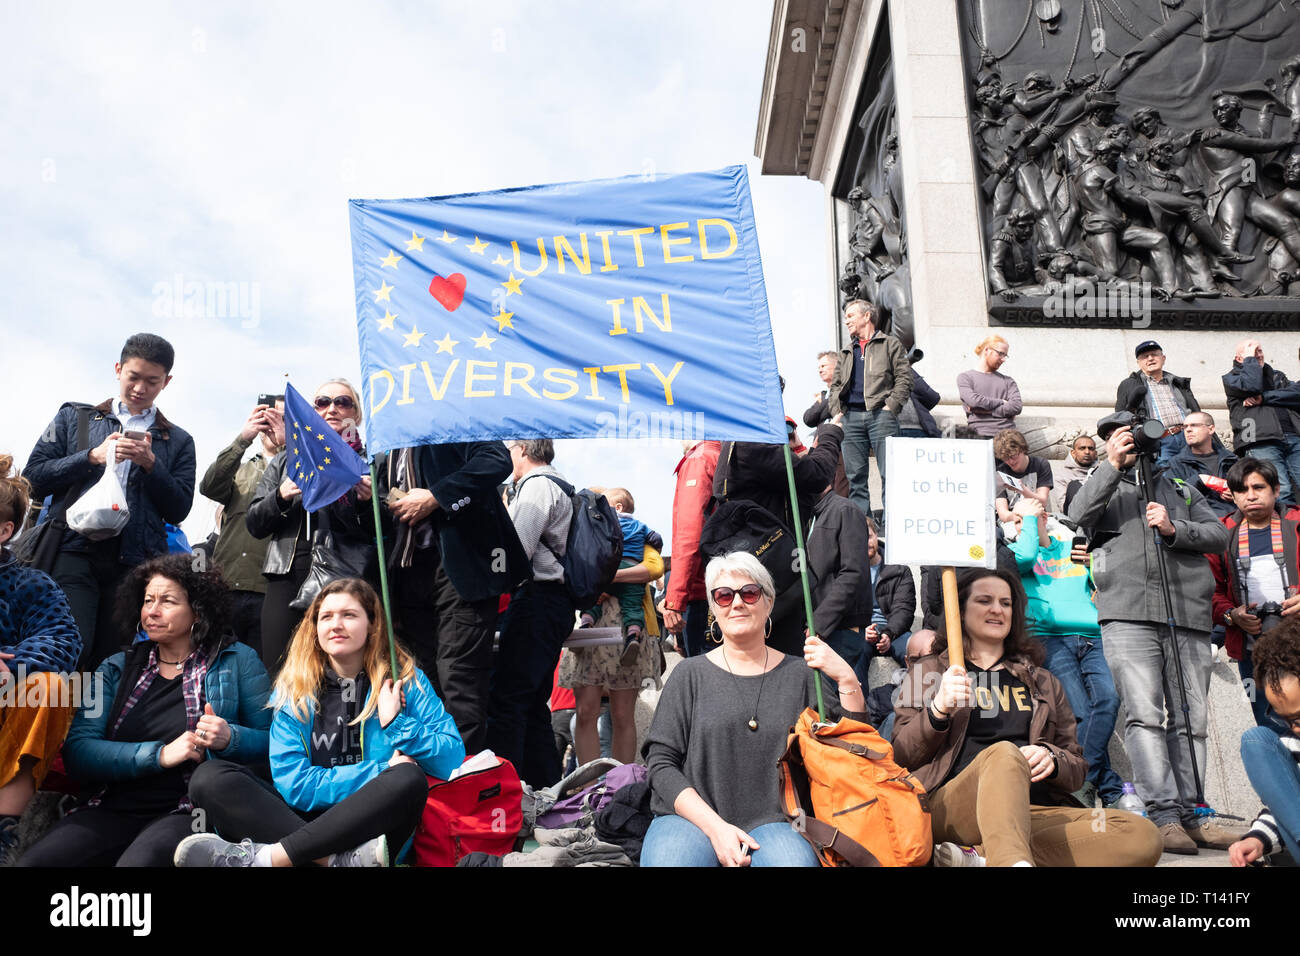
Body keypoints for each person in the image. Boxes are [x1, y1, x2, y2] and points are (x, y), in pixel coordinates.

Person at [173, 577, 465, 867]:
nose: (336, 624)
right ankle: (333, 862)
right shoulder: (294, 690)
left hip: (375, 832)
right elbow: (294, 786)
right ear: (315, 629)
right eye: (326, 617)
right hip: (302, 823)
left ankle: (269, 859)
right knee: (209, 778)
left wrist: (398, 725)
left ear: (372, 625)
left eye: (349, 615)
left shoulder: (405, 681)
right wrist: (380, 771)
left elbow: (451, 758)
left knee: (408, 780)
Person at [892, 567, 1162, 867]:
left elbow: (1077, 767)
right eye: (984, 600)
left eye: (1006, 603)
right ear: (961, 611)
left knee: (1141, 835)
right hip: (954, 805)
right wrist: (937, 710)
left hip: (1032, 809)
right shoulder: (928, 672)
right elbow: (901, 755)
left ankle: (979, 857)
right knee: (1006, 754)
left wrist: (1052, 757)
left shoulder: (1043, 680)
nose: (997, 609)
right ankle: (1009, 861)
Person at [18, 554, 270, 866]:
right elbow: (79, 751)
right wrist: (160, 755)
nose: (152, 610)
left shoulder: (236, 660)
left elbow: (271, 743)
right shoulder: (117, 666)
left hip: (191, 811)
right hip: (111, 805)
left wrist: (232, 737)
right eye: (148, 599)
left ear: (199, 610)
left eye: (168, 601)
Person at [1067, 413, 1236, 855]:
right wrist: (1112, 466)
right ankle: (1162, 815)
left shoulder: (1180, 487)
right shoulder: (1098, 483)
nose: (1134, 442)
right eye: (1120, 436)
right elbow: (1076, 515)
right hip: (1128, 614)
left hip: (1188, 616)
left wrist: (1174, 528)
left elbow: (1220, 534)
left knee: (1191, 719)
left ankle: (1194, 812)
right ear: (1108, 442)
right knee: (1144, 716)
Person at [641, 552, 865, 867]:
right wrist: (716, 828)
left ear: (768, 602)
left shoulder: (800, 674)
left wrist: (846, 677)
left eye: (749, 592)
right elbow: (661, 764)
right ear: (713, 608)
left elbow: (853, 745)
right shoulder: (689, 674)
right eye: (723, 595)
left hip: (781, 822)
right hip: (690, 818)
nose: (737, 603)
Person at [25, 333, 196, 670]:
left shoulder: (176, 440)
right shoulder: (79, 418)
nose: (140, 388)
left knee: (112, 659)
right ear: (118, 369)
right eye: (133, 377)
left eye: (152, 381)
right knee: (72, 644)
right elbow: (33, 479)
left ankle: (91, 723)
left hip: (135, 560)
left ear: (167, 381)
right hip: (73, 548)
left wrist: (151, 465)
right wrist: (91, 456)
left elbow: (179, 508)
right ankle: (53, 721)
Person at [374, 441, 528, 755]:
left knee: (459, 683)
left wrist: (436, 497)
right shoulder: (385, 441)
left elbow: (497, 459)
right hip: (405, 577)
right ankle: (431, 784)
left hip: (460, 571)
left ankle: (461, 786)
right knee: (423, 687)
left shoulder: (450, 419)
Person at [246, 378, 376, 675]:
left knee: (341, 673)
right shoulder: (284, 461)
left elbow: (384, 533)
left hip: (344, 579)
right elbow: (254, 524)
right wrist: (280, 496)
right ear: (311, 412)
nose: (332, 408)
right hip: (286, 576)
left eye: (343, 402)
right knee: (280, 673)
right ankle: (286, 724)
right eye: (322, 402)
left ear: (356, 415)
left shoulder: (368, 461)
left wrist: (366, 504)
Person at [1006, 497, 1124, 808]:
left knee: (1108, 699)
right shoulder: (1018, 553)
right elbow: (1025, 557)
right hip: (1048, 638)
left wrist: (1094, 562)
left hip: (1093, 636)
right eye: (1017, 521)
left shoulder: (1072, 547)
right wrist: (1028, 524)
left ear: (1043, 516)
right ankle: (1107, 789)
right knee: (1082, 710)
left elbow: (1106, 582)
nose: (1018, 526)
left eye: (1023, 519)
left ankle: (1084, 782)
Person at [0, 454, 82, 865]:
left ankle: (4, 829)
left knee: (51, 687)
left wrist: (12, 666)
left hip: (6, 709)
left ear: (5, 530)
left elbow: (63, 641)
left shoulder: (31, 584)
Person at [487, 439, 575, 788]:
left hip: (536, 600)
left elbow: (516, 551)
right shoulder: (559, 483)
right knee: (534, 705)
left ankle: (505, 791)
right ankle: (544, 787)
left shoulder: (537, 487)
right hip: (554, 602)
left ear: (522, 449)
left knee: (507, 701)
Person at [1209, 458, 1300, 730]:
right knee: (1264, 723)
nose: (1250, 496)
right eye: (1241, 490)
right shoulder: (1220, 534)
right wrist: (1230, 615)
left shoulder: (1296, 523)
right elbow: (1208, 591)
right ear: (1233, 496)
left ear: (1276, 488)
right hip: (1250, 652)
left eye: (1258, 487)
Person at [198, 396, 286, 659]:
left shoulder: (299, 466)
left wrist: (287, 446)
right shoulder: (242, 469)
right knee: (215, 666)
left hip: (271, 591)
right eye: (268, 415)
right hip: (227, 588)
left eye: (281, 418)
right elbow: (209, 486)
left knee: (264, 672)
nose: (272, 423)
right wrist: (243, 438)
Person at [561, 544, 665, 765]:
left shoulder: (638, 540)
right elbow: (570, 571)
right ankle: (586, 788)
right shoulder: (585, 539)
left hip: (628, 635)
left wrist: (607, 579)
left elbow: (655, 568)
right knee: (585, 711)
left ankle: (621, 788)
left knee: (622, 715)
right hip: (589, 632)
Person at [825, 299, 912, 516]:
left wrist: (891, 406)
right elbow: (835, 386)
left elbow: (904, 378)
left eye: (851, 316)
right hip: (850, 419)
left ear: (866, 316)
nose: (847, 321)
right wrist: (837, 411)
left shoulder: (890, 344)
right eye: (845, 317)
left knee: (890, 475)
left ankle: (892, 527)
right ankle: (863, 530)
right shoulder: (846, 352)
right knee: (855, 479)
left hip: (880, 416)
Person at [1229, 623, 1300, 867]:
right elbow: (1285, 807)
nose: (1294, 728)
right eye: (1286, 719)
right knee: (1257, 741)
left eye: (1298, 717)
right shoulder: (1294, 743)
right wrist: (1258, 840)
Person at [578, 487, 657, 666]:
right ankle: (633, 636)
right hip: (632, 569)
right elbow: (656, 539)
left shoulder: (606, 524)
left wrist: (604, 579)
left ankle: (585, 626)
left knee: (593, 602)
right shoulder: (641, 526)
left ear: (618, 508)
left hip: (609, 568)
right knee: (632, 606)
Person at [805, 484, 873, 679]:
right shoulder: (811, 512)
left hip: (839, 630)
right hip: (819, 629)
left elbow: (853, 573)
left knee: (829, 703)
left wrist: (819, 623)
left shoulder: (845, 510)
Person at [1223, 338, 1300, 506]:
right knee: (1281, 490)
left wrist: (1264, 398)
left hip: (1293, 437)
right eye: (1251, 351)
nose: (1257, 354)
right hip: (1260, 440)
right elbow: (1252, 386)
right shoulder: (1231, 378)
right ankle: (1285, 530)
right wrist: (1251, 360)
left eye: (1259, 350)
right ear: (1239, 359)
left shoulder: (1277, 376)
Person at [662, 439, 720, 658]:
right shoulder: (727, 456)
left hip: (703, 593)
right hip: (732, 587)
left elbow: (690, 534)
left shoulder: (700, 459)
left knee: (707, 681)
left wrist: (675, 600)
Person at [1115, 340, 1200, 468]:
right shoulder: (1129, 385)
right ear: (1139, 363)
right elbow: (1121, 417)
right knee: (1168, 480)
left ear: (1163, 358)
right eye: (1144, 357)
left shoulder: (1177, 381)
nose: (1150, 359)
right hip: (1161, 441)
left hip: (1189, 436)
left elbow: (1194, 409)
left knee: (1200, 473)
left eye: (1154, 355)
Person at [1165, 411, 1238, 520]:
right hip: (1202, 524)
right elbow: (1173, 498)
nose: (1188, 430)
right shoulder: (1176, 463)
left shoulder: (1232, 460)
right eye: (1185, 427)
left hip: (1237, 520)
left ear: (1211, 429)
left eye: (1194, 425)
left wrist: (1238, 493)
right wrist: (1199, 480)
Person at [958, 336, 1022, 438]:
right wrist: (1001, 402)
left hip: (1008, 437)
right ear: (987, 350)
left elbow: (1016, 407)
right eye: (1001, 353)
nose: (1003, 359)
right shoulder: (966, 377)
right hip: (979, 436)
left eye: (1005, 355)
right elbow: (973, 402)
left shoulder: (1008, 381)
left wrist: (985, 410)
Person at [993, 428, 1052, 521]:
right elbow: (1003, 514)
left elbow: (1043, 501)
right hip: (1013, 520)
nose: (1010, 461)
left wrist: (1023, 490)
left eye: (1013, 456)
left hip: (1038, 516)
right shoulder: (1000, 472)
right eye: (1006, 458)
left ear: (1022, 449)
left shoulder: (1041, 464)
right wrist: (1023, 516)